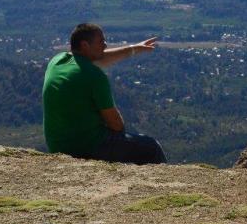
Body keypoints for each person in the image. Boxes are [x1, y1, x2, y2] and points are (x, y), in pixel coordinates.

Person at [42, 23, 167, 164]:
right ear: (85, 45)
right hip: (86, 148)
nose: (105, 45)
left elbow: (98, 58)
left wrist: (134, 49)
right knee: (151, 147)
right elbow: (116, 125)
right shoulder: (94, 76)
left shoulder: (57, 61)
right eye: (101, 41)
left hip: (57, 146)